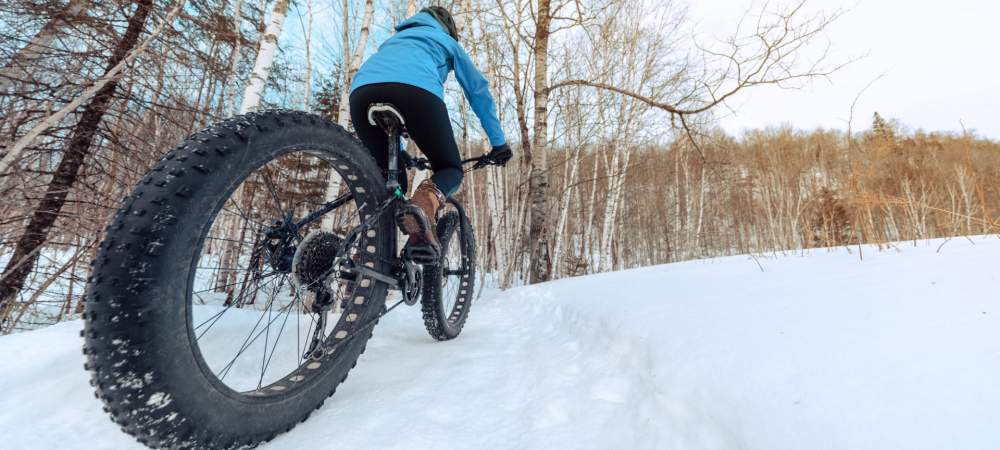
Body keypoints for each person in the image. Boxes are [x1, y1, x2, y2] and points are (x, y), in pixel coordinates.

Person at [349, 6, 511, 254]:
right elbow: (478, 92)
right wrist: (499, 143)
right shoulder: (446, 40)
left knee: (391, 185)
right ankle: (422, 208)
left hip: (361, 93)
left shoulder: (394, 40)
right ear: (448, 28)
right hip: (416, 91)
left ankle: (366, 262)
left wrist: (400, 151)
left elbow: (387, 86)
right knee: (450, 169)